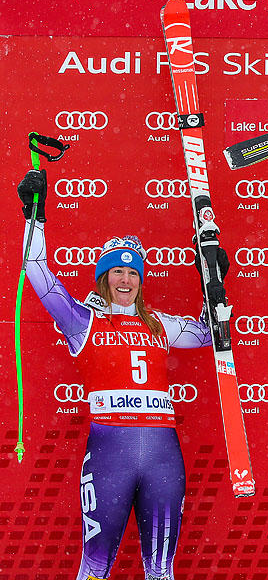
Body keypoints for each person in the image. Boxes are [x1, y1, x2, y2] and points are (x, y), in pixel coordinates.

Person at [17, 168, 226, 580]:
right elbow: (37, 272)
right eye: (117, 271)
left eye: (133, 272)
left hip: (163, 456)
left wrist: (214, 284)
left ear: (141, 280)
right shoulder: (82, 321)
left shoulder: (159, 325)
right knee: (95, 569)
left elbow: (208, 335)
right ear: (104, 276)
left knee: (161, 570)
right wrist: (34, 217)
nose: (125, 279)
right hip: (110, 455)